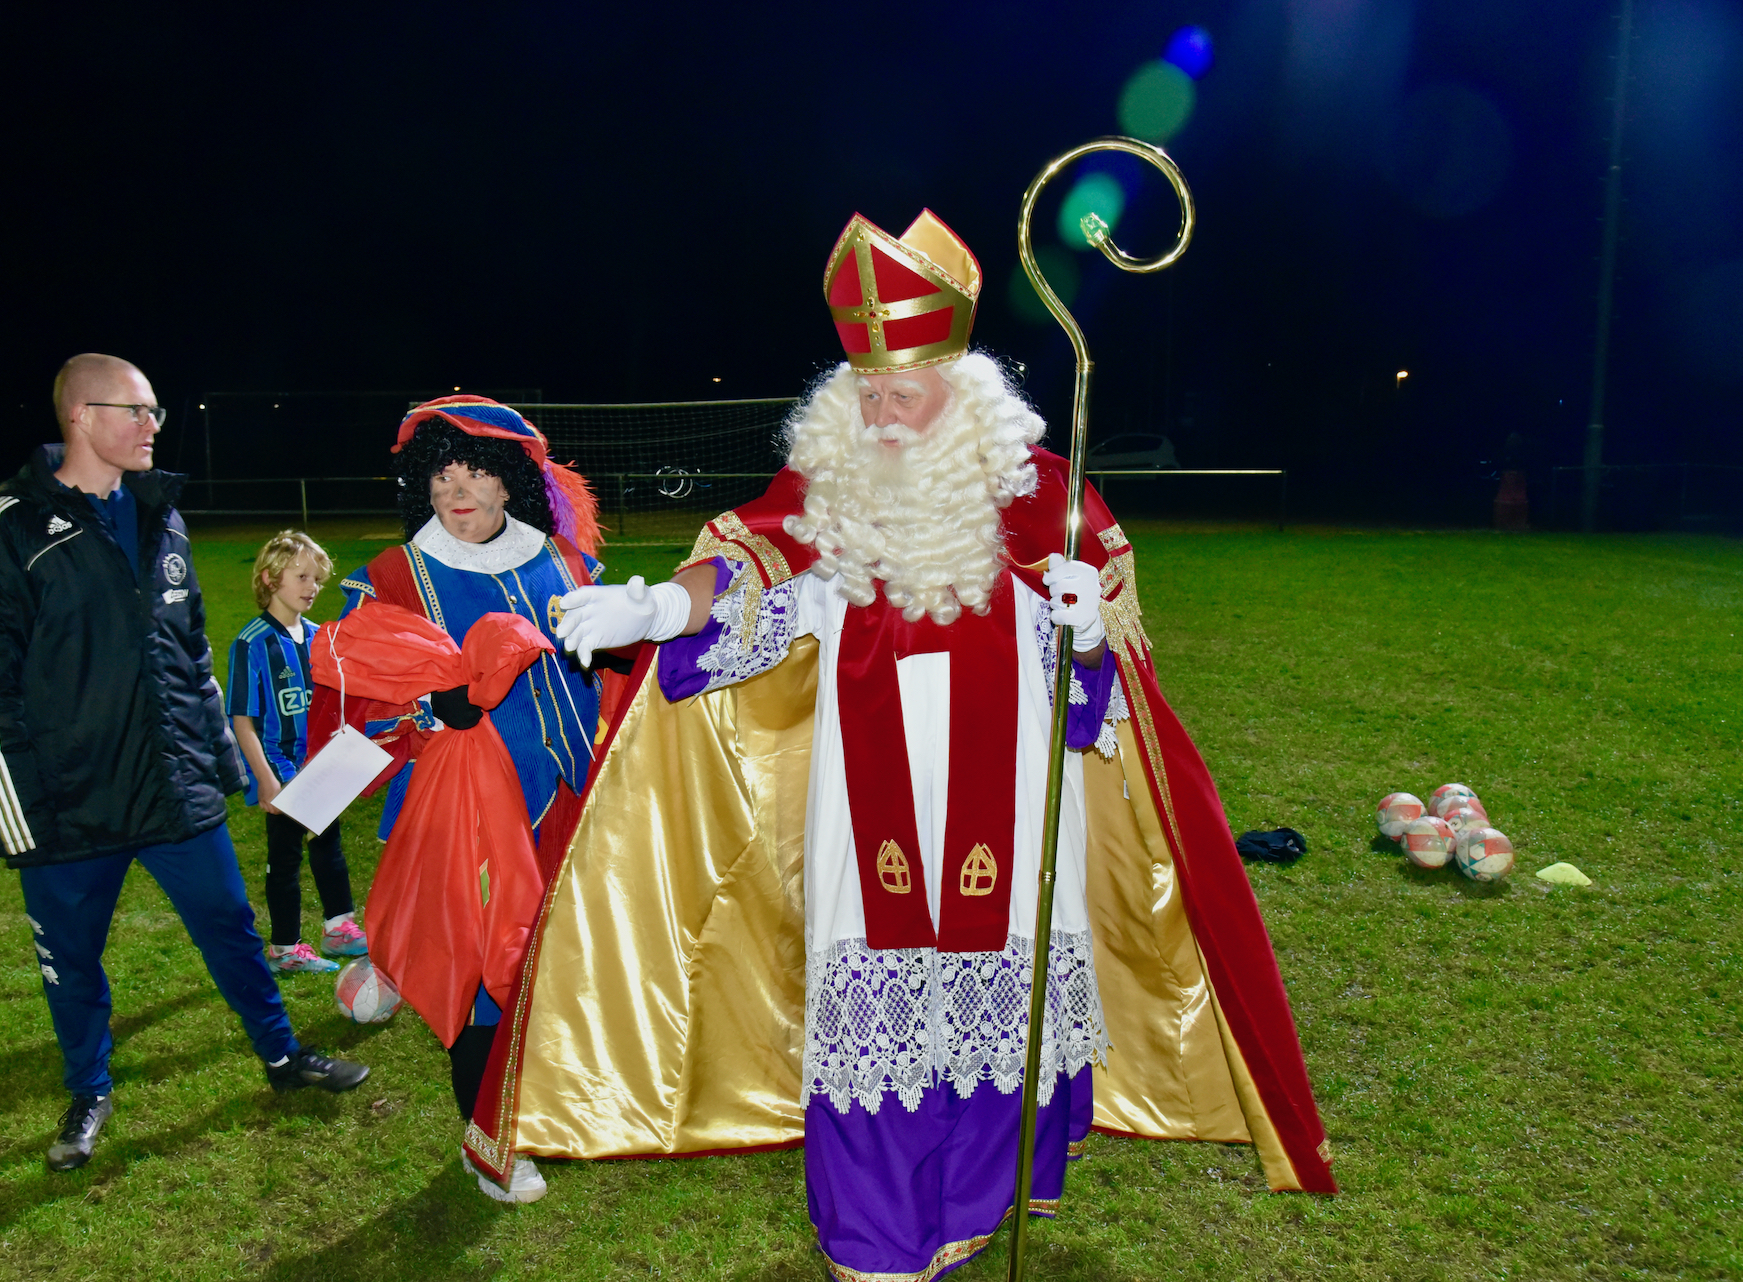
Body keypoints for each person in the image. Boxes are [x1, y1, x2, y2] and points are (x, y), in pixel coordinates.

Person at [547, 212, 1335, 1277]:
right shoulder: (828, 496)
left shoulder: (1044, 499)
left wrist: (1090, 632)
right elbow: (746, 579)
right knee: (876, 998)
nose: (877, 413)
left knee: (996, 999)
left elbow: (1104, 694)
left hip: (1009, 793)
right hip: (867, 805)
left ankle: (973, 1202)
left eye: (900, 393)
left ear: (960, 391)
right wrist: (655, 609)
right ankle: (875, 1234)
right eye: (864, 391)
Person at [0, 353, 370, 1174]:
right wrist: (15, 812)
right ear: (80, 416)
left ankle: (283, 1059)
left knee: (233, 931)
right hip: (72, 804)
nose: (152, 427)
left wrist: (221, 766)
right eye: (136, 412)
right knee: (71, 962)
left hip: (176, 791)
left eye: (155, 415)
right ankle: (89, 1092)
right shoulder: (12, 525)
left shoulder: (162, 519)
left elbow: (190, 660)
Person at [325, 396, 609, 1204]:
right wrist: (426, 710)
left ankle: (536, 1100)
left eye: (477, 470)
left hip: (567, 804)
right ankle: (488, 1146)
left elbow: (612, 674)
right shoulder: (392, 578)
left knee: (553, 971)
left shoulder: (565, 560)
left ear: (511, 482)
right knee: (486, 982)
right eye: (442, 473)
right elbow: (353, 704)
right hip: (464, 827)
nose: (458, 488)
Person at [226, 530, 369, 974]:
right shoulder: (252, 643)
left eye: (317, 579)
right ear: (270, 579)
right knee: (285, 856)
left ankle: (338, 926)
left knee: (329, 844)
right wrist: (265, 778)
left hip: (319, 765)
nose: (312, 586)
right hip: (281, 767)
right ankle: (285, 948)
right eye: (301, 576)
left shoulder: (317, 636)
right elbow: (242, 719)